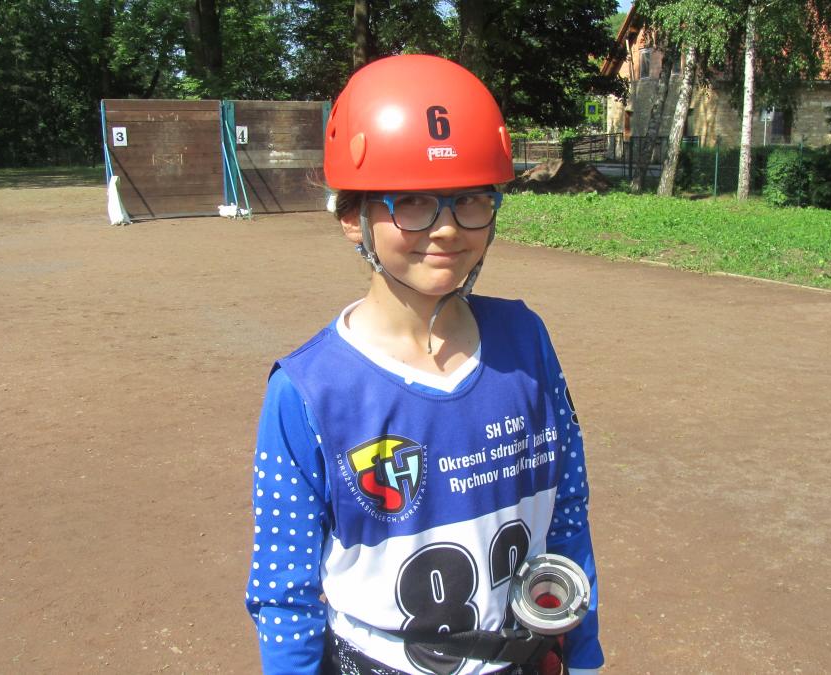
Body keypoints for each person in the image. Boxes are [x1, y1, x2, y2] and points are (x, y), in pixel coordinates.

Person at [246, 54, 603, 675]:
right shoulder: (308, 392)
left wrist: (585, 651)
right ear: (352, 218)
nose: (446, 229)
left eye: (470, 199)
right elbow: (284, 589)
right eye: (412, 202)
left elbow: (567, 510)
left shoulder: (526, 340)